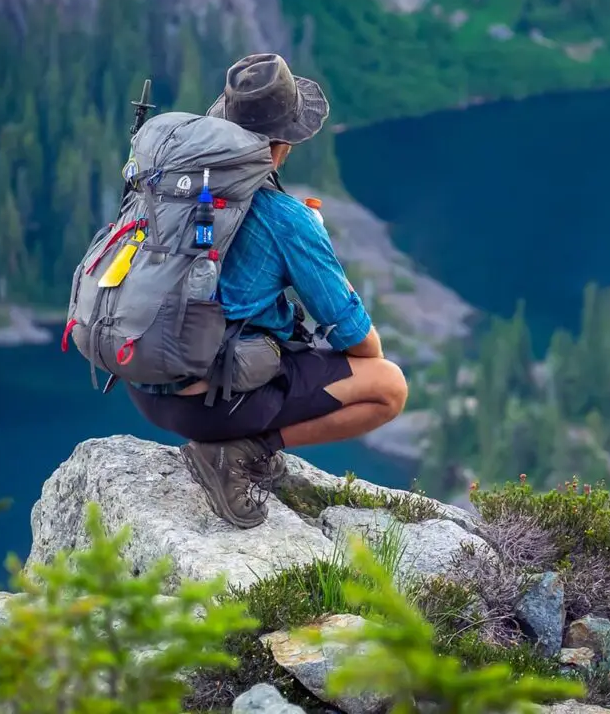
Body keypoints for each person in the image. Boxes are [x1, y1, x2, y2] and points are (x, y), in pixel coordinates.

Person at [125, 53, 408, 529]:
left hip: (142, 383)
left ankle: (233, 439)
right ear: (283, 146)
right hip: (209, 407)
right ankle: (240, 453)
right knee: (388, 386)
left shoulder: (169, 185)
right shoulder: (285, 218)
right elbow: (357, 339)